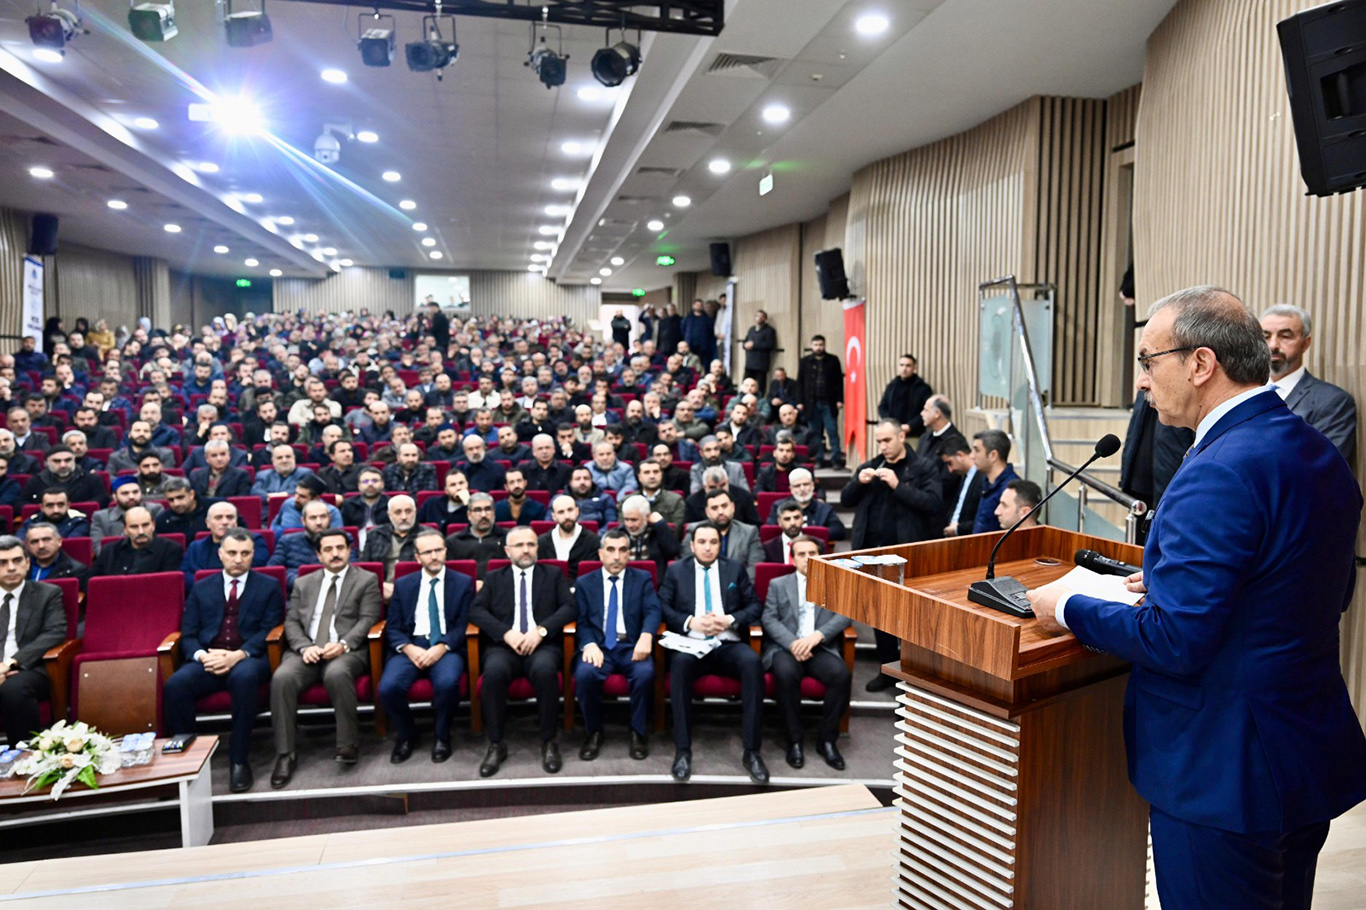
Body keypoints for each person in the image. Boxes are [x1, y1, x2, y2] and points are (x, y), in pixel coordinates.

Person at [1026, 286, 1366, 910]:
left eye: (1149, 361)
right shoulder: (1313, 450)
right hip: (1300, 753)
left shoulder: (1216, 468)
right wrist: (1176, 582)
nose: (1142, 382)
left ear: (1201, 363)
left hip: (1222, 770)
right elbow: (1321, 586)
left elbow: (1175, 640)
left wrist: (1067, 606)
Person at [164, 529, 283, 793]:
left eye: (245, 553)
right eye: (232, 553)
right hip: (209, 656)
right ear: (220, 554)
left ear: (253, 555)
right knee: (176, 685)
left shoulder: (268, 586)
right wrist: (203, 656)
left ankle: (238, 760)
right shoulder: (202, 586)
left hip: (249, 657)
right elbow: (189, 632)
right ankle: (187, 762)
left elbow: (269, 629)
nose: (238, 559)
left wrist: (237, 656)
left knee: (244, 678)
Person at [269, 527, 382, 787]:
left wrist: (343, 644)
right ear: (318, 555)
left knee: (336, 673)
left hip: (347, 651)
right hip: (308, 650)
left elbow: (368, 619)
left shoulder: (365, 580)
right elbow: (292, 621)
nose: (335, 554)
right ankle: (286, 754)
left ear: (349, 550)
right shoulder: (303, 582)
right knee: (283, 677)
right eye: (328, 550)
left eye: (340, 548)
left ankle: (347, 745)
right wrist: (302, 647)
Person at [659, 521, 767, 784]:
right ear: (692, 545)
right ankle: (683, 750)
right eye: (702, 542)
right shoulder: (676, 571)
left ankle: (752, 751)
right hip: (692, 644)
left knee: (752, 663)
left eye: (714, 542)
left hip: (726, 643)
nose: (708, 548)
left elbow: (754, 606)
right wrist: (688, 622)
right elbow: (662, 605)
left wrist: (730, 619)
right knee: (680, 666)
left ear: (721, 545)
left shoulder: (734, 569)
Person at [842, 419, 941, 692]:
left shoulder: (923, 466)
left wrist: (899, 486)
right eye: (879, 441)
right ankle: (887, 667)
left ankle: (913, 674)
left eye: (887, 440)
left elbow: (933, 504)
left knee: (910, 617)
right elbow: (845, 499)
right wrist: (857, 482)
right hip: (873, 554)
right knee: (880, 614)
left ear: (901, 436)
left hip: (907, 554)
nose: (883, 446)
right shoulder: (872, 464)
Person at [469, 526, 576, 777]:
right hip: (504, 646)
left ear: (537, 548)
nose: (525, 550)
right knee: (493, 674)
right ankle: (496, 743)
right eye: (519, 545)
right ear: (507, 551)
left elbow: (570, 607)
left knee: (546, 671)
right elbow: (476, 610)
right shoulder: (494, 577)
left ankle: (549, 741)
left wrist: (540, 632)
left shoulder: (553, 575)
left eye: (530, 544)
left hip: (542, 645)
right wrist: (506, 633)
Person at [762, 535, 851, 770]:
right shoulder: (778, 584)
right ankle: (795, 740)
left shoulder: (832, 583)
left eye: (812, 553)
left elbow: (844, 616)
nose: (807, 558)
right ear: (793, 558)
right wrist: (793, 643)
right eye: (801, 554)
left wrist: (817, 636)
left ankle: (827, 741)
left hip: (819, 647)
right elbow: (768, 619)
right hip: (785, 648)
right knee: (786, 674)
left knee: (841, 675)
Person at [574, 529, 660, 761]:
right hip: (600, 646)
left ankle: (638, 732)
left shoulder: (641, 579)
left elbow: (653, 610)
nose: (616, 556)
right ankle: (594, 732)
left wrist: (646, 635)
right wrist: (589, 644)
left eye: (622, 550)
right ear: (601, 554)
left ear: (629, 554)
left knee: (645, 674)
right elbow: (580, 621)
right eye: (610, 550)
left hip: (631, 645)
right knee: (585, 674)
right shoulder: (585, 582)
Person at [1260, 303, 1357, 462]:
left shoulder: (1332, 401)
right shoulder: (1244, 392)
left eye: (1285, 336)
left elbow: (1327, 466)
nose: (1273, 345)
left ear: (1305, 343)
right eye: (1265, 336)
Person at [0, 536, 66, 748]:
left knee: (13, 689)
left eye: (17, 561)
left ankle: (26, 754)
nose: (11, 568)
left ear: (28, 563)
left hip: (32, 669)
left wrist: (10, 664)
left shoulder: (47, 594)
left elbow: (54, 633)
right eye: (2, 563)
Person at [180, 501, 269, 589]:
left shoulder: (254, 541)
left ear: (236, 522)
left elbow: (255, 571)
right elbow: (184, 577)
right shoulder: (195, 547)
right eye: (218, 518)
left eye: (230, 517)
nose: (225, 522)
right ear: (208, 523)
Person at [796, 335, 844, 468]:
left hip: (829, 402)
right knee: (815, 432)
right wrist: (800, 401)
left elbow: (839, 382)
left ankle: (836, 459)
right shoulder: (805, 361)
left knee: (832, 431)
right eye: (816, 345)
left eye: (821, 345)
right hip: (811, 403)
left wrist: (840, 399)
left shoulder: (833, 360)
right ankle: (818, 458)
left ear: (824, 345)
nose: (818, 347)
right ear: (812, 346)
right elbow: (800, 382)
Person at [359, 494, 421, 596]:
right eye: (398, 512)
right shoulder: (375, 535)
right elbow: (364, 568)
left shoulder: (427, 536)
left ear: (415, 512)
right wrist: (380, 586)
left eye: (408, 511)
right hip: (379, 590)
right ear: (389, 515)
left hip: (416, 591)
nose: (404, 517)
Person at [91, 505, 183, 574]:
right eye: (134, 527)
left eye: (145, 525)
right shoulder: (109, 551)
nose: (141, 531)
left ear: (153, 525)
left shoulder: (171, 549)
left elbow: (167, 586)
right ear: (125, 529)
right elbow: (91, 582)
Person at [267, 500, 337, 589]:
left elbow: (351, 571)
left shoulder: (343, 541)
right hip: (297, 592)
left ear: (329, 518)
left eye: (323, 517)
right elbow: (273, 570)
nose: (318, 522)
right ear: (303, 521)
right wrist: (301, 581)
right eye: (313, 518)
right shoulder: (287, 541)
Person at [90, 476, 162, 552]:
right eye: (125, 493)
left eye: (135, 492)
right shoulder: (101, 517)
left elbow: (161, 543)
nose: (131, 497)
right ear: (114, 496)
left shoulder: (155, 510)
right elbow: (99, 548)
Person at [538, 494, 601, 578]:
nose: (567, 516)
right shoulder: (542, 542)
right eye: (561, 512)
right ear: (554, 516)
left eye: (570, 510)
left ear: (577, 511)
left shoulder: (593, 540)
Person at [969, 429, 1019, 534]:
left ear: (993, 455)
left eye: (977, 450)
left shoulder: (1010, 489)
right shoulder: (986, 480)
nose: (971, 456)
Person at [617, 494, 681, 575]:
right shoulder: (620, 533)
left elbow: (673, 550)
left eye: (634, 520)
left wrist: (661, 524)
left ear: (647, 517)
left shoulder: (659, 531)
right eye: (626, 519)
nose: (629, 525)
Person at [22, 445, 107, 506]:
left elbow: (102, 499)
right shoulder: (36, 481)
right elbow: (21, 503)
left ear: (74, 460)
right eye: (57, 461)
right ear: (46, 463)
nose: (63, 465)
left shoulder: (92, 479)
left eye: (68, 460)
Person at [445, 493, 507, 574]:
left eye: (488, 509)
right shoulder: (453, 542)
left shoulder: (508, 538)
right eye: (478, 510)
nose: (483, 515)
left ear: (494, 512)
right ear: (469, 515)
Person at [878, 354, 934, 438]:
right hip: (894, 434)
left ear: (914, 368)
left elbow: (928, 410)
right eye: (901, 365)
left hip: (915, 435)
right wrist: (890, 423)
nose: (904, 369)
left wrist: (910, 426)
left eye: (908, 366)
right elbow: (882, 407)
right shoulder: (892, 386)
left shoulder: (923, 388)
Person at [938, 435, 982, 538]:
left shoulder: (981, 479)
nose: (950, 470)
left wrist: (959, 529)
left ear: (960, 455)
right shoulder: (964, 477)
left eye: (950, 463)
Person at [763, 500, 823, 564]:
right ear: (779, 522)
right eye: (787, 519)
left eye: (796, 518)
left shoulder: (817, 544)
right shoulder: (768, 547)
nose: (793, 523)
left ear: (803, 519)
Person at [106, 420, 174, 474]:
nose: (141, 434)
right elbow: (110, 479)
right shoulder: (115, 458)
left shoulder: (166, 454)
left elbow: (167, 479)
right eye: (137, 430)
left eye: (146, 431)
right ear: (129, 435)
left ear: (151, 435)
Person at [17, 488, 88, 540]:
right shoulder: (32, 522)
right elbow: (20, 542)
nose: (56, 510)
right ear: (41, 507)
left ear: (68, 505)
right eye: (50, 505)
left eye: (60, 505)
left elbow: (70, 546)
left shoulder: (78, 522)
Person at [740, 309, 777, 386]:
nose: (759, 318)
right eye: (757, 316)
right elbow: (745, 341)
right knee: (746, 383)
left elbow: (770, 345)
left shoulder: (769, 330)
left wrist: (754, 345)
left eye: (761, 316)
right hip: (749, 362)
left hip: (761, 364)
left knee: (760, 385)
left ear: (765, 318)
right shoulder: (751, 329)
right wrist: (745, 345)